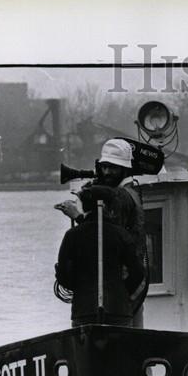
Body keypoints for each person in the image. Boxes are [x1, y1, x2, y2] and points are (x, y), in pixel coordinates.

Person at [55, 138, 147, 323]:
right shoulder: (132, 192)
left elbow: (110, 237)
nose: (107, 172)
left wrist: (79, 217)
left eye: (113, 168)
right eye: (104, 167)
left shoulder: (121, 196)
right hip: (122, 294)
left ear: (125, 169)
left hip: (116, 289)